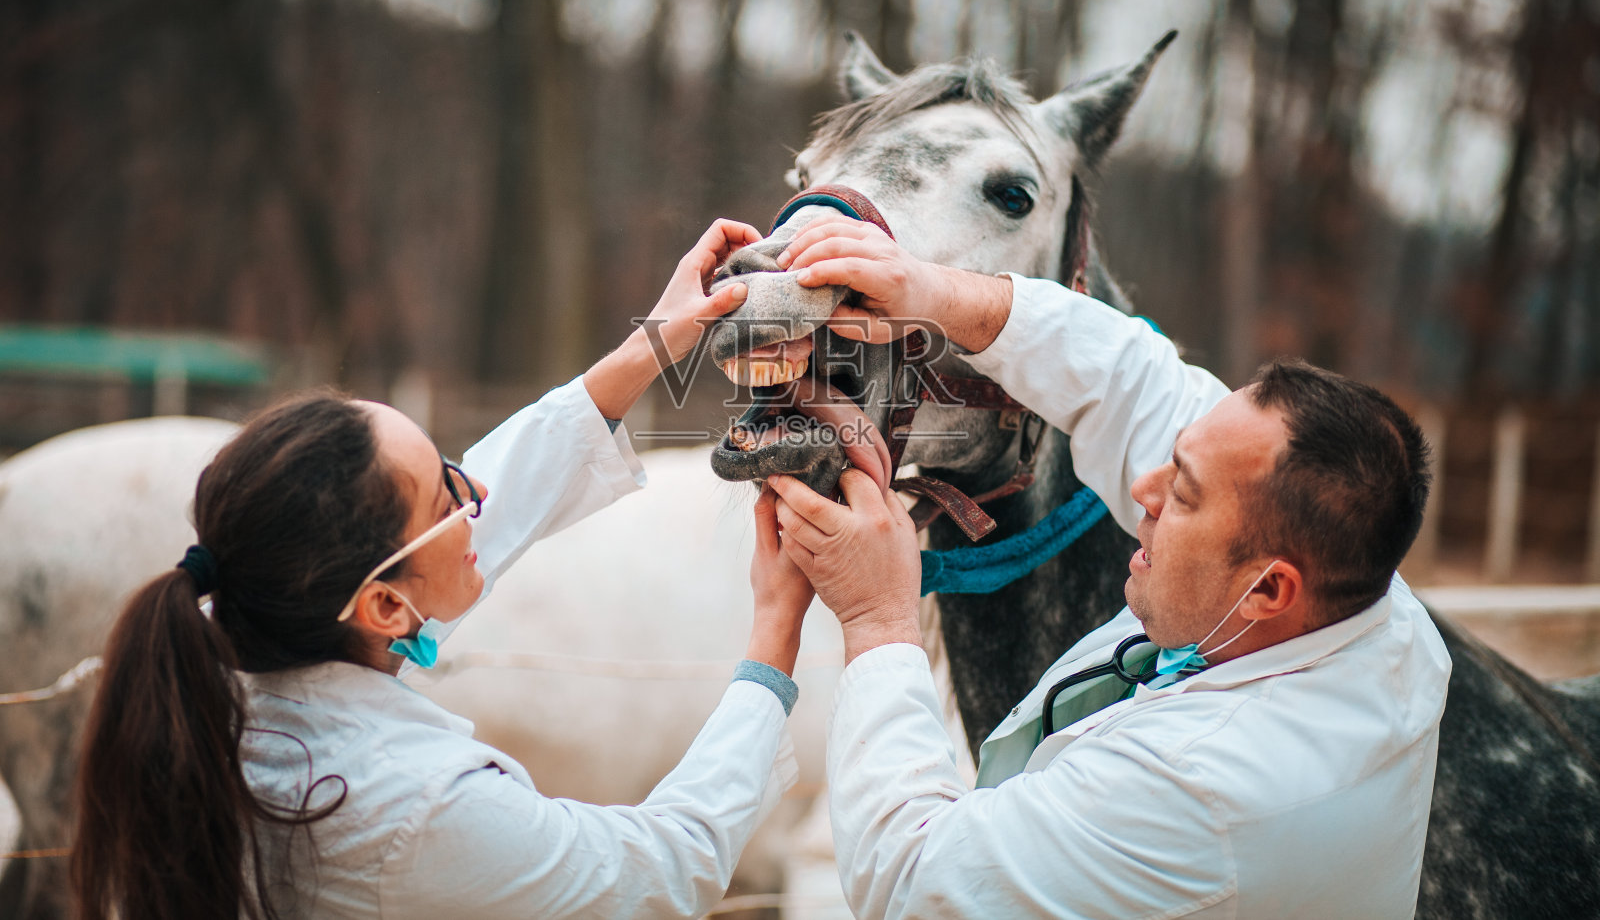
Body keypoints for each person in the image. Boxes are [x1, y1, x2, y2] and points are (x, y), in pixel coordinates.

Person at [70, 221, 818, 920]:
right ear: (385, 608)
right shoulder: (419, 807)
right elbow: (658, 869)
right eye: (447, 495)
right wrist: (775, 635)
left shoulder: (239, 638)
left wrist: (655, 341)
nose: (478, 493)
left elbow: (490, 496)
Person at [762, 216, 1453, 919]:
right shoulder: (1363, 589)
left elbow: (916, 881)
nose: (1144, 490)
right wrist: (933, 292)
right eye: (1175, 455)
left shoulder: (1197, 789)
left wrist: (877, 619)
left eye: (1184, 493)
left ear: (1269, 588)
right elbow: (1129, 377)